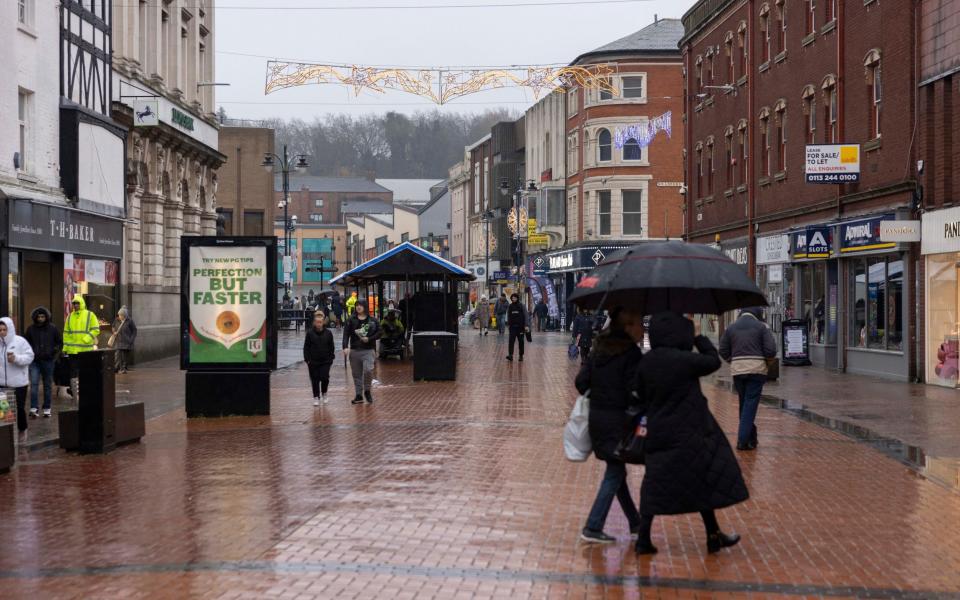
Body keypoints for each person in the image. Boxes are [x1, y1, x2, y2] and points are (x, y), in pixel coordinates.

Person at [633, 312, 747, 555]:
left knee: (653, 483)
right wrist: (698, 337)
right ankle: (713, 534)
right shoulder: (684, 360)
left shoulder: (647, 361)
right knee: (702, 477)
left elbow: (639, 394)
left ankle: (644, 538)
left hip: (659, 431)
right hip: (691, 431)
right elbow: (713, 361)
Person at [574, 308, 645, 543]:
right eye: (638, 324)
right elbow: (636, 390)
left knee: (617, 471)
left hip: (597, 420)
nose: (642, 329)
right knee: (615, 472)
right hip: (618, 423)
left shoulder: (599, 349)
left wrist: (598, 396)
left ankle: (636, 523)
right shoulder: (631, 354)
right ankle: (593, 526)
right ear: (627, 327)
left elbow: (581, 381)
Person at [719, 306, 777, 451]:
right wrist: (767, 363)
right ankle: (742, 439)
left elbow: (723, 349)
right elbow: (771, 351)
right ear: (757, 314)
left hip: (738, 370)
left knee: (744, 404)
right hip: (757, 370)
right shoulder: (761, 327)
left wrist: (732, 361)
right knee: (750, 404)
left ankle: (751, 438)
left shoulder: (731, 327)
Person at [23, 307, 62, 418]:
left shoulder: (52, 328)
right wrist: (30, 354)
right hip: (34, 361)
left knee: (47, 385)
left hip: (48, 361)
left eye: (43, 316)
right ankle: (34, 408)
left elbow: (59, 342)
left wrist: (53, 353)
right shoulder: (30, 329)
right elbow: (26, 343)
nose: (41, 318)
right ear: (35, 317)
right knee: (34, 384)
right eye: (39, 316)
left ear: (46, 317)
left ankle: (47, 408)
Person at [343, 299, 381, 405]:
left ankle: (367, 390)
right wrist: (345, 347)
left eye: (360, 305)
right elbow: (346, 334)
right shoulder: (351, 320)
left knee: (368, 370)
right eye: (357, 305)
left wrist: (369, 339)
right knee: (356, 374)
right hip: (355, 350)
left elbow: (380, 332)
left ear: (365, 307)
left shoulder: (372, 320)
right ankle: (358, 395)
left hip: (368, 350)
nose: (358, 307)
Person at [0, 317, 35, 433]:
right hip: (2, 384)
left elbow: (30, 357)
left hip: (18, 384)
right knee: (4, 410)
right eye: (0, 330)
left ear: (10, 329)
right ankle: (8, 435)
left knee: (19, 409)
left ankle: (22, 434)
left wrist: (16, 358)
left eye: (5, 330)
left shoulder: (20, 341)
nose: (2, 332)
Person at [62, 295, 100, 399]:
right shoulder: (70, 316)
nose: (75, 305)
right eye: (74, 303)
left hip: (85, 350)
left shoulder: (90, 315)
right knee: (73, 372)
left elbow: (96, 329)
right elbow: (66, 333)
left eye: (77, 303)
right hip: (72, 351)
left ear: (82, 303)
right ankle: (75, 393)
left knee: (85, 371)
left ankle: (84, 391)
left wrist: (86, 339)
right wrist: (65, 348)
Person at [303, 311, 335, 406]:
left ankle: (324, 393)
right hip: (313, 361)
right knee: (315, 379)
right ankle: (316, 396)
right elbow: (306, 347)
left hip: (326, 361)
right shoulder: (310, 333)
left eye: (320, 322)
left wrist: (330, 358)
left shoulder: (328, 333)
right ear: (314, 322)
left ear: (323, 322)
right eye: (317, 322)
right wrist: (307, 359)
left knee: (325, 377)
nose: (318, 324)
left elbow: (331, 346)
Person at [110, 307, 138, 374]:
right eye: (119, 315)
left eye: (121, 315)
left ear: (124, 315)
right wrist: (114, 332)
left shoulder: (130, 321)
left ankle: (123, 368)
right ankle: (117, 368)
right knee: (117, 355)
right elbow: (113, 326)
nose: (120, 316)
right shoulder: (116, 320)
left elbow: (134, 330)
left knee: (125, 356)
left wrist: (131, 339)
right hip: (118, 340)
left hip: (127, 341)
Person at [505, 293, 530, 362]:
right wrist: (508, 324)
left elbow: (526, 315)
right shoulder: (510, 306)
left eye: (515, 298)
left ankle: (521, 355)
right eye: (512, 298)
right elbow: (508, 316)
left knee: (521, 342)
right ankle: (510, 355)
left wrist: (526, 325)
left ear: (517, 298)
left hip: (520, 327)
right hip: (512, 327)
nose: (513, 299)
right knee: (511, 341)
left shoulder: (522, 305)